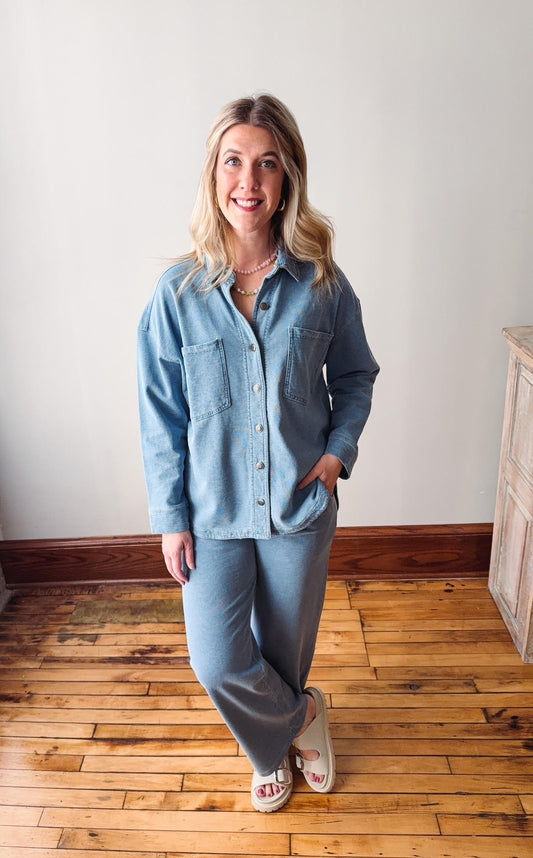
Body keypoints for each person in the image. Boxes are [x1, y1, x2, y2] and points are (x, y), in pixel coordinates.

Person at [137, 94, 379, 812]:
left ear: (286, 179)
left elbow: (357, 376)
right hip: (211, 512)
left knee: (281, 652)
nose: (249, 179)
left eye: (267, 163)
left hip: (301, 507)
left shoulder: (322, 283)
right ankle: (298, 720)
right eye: (234, 161)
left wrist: (337, 454)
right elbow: (159, 414)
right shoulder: (175, 294)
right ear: (214, 175)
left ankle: (263, 747)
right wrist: (169, 516)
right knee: (216, 660)